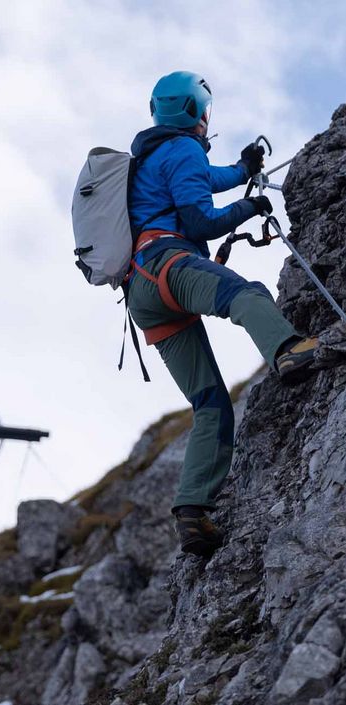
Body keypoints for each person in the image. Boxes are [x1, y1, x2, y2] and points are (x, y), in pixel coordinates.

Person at [126, 71, 318, 558]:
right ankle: (289, 350)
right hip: (169, 264)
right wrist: (251, 207)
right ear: (197, 112)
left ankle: (193, 512)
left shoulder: (150, 157)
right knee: (245, 294)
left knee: (210, 403)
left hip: (143, 295)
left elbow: (202, 181)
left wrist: (240, 169)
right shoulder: (183, 150)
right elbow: (199, 220)